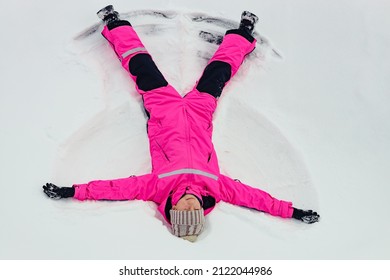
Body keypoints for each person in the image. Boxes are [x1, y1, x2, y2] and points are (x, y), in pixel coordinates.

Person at [43, 5, 320, 242]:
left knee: (141, 66)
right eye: (193, 209)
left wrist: (73, 191)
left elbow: (116, 189)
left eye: (182, 208)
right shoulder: (216, 188)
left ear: (173, 209)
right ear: (201, 210)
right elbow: (255, 198)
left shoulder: (157, 187)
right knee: (218, 73)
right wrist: (293, 212)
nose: (188, 203)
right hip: (200, 113)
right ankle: (244, 32)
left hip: (163, 110)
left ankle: (114, 24)